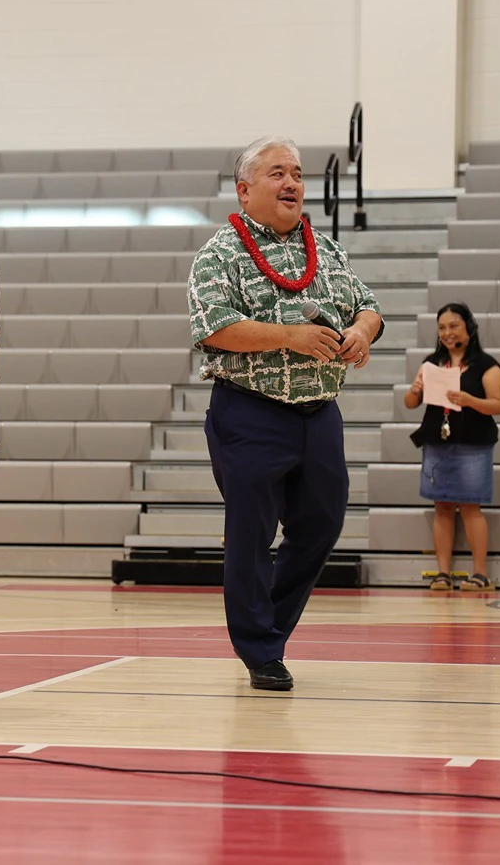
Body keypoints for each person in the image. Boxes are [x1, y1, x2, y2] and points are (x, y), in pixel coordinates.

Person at [188, 136, 383, 692]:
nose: (293, 182)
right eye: (278, 173)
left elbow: (367, 305)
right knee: (251, 534)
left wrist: (361, 333)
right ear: (245, 190)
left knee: (322, 523)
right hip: (249, 413)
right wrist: (291, 337)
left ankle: (264, 623)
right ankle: (261, 651)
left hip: (319, 413)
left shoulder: (328, 249)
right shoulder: (219, 255)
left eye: (297, 173)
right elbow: (215, 327)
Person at [404, 302, 500, 592]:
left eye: (454, 326)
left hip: (474, 445)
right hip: (437, 443)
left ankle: (481, 574)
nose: (447, 332)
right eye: (442, 327)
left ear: (469, 328)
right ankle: (443, 573)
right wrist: (415, 389)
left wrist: (469, 400)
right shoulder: (432, 364)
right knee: (442, 507)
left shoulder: (487, 365)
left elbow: (497, 405)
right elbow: (411, 404)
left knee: (471, 507)